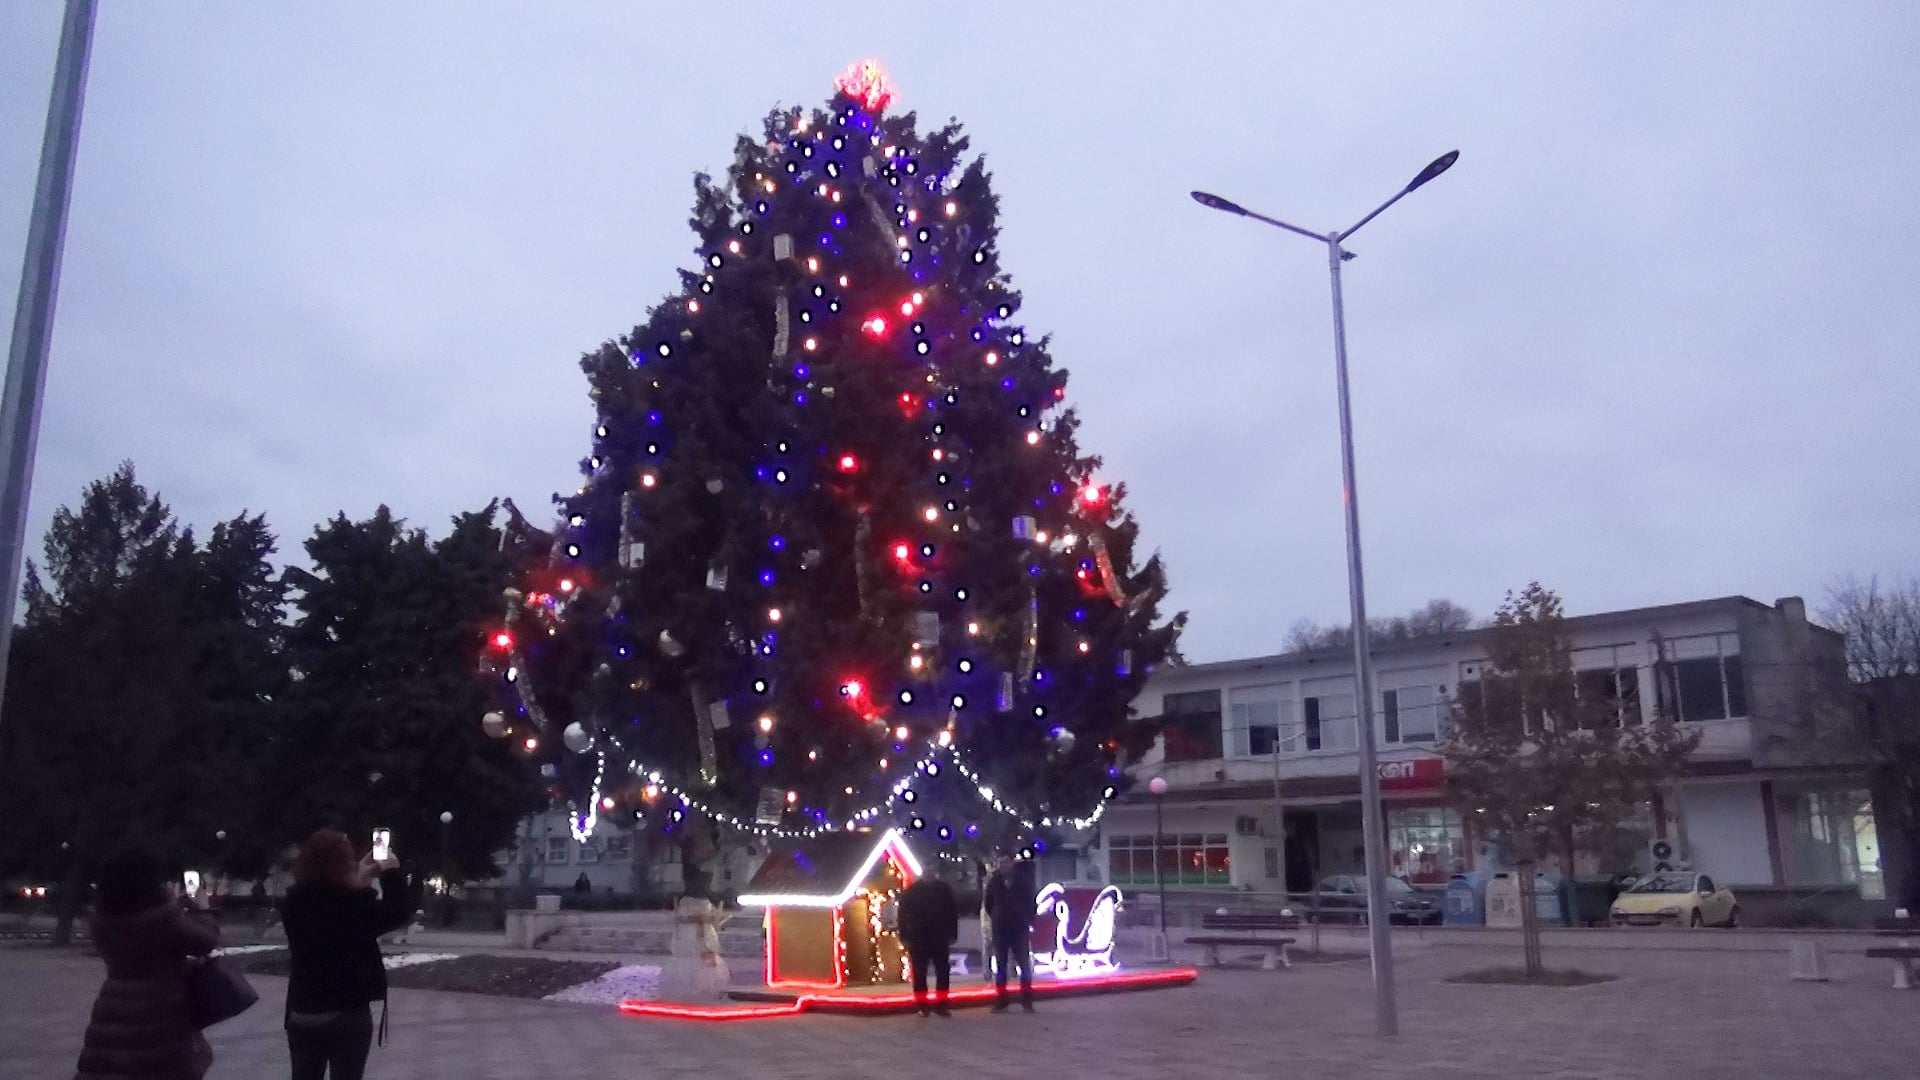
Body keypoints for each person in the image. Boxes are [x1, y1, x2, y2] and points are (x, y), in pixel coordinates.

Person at [75, 848, 222, 1079]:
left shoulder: (103, 918)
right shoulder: (162, 918)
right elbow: (206, 941)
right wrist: (203, 911)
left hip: (113, 1006)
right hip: (159, 1009)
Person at [280, 829, 414, 1080]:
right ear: (344, 863)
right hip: (346, 1012)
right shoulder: (355, 905)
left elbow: (329, 901)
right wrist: (391, 872)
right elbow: (397, 912)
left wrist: (356, 878)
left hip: (303, 1011)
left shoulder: (293, 902)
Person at [897, 864, 960, 1016]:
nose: (929, 874)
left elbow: (952, 912)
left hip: (940, 937)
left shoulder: (944, 889)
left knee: (943, 972)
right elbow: (902, 915)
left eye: (931, 871)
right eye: (927, 871)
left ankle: (942, 1005)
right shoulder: (912, 891)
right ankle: (922, 1005)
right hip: (918, 938)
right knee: (919, 973)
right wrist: (904, 936)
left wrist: (953, 934)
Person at [983, 853, 1035, 1013]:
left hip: (1019, 928)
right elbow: (988, 904)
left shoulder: (1023, 881)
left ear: (1012, 863)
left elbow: (1030, 903)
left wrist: (1024, 917)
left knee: (1023, 965)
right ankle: (1001, 1001)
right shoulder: (994, 882)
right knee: (1001, 965)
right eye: (1001, 862)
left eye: (1006, 862)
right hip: (1001, 928)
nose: (1004, 865)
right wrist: (998, 916)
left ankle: (1026, 1001)